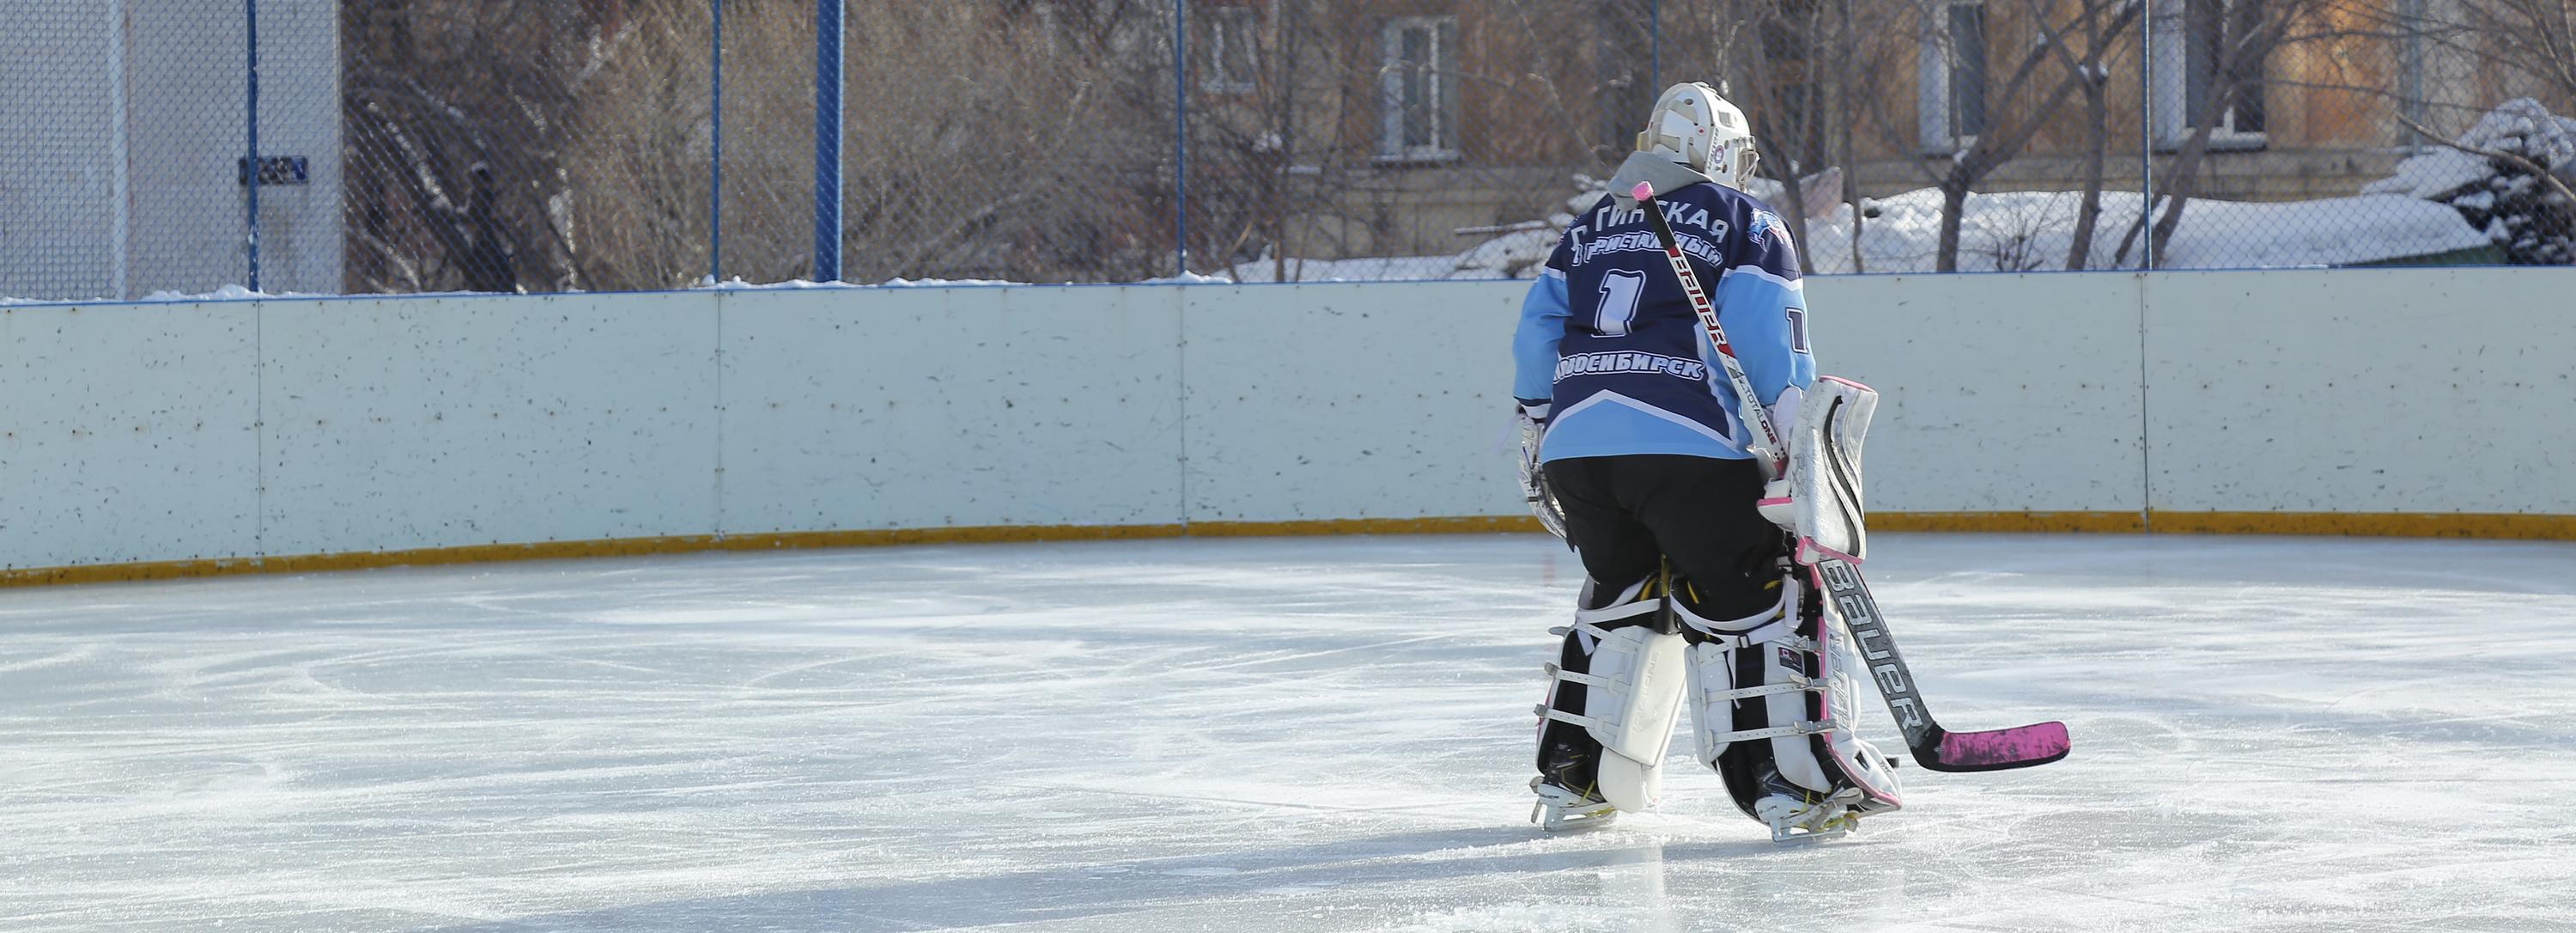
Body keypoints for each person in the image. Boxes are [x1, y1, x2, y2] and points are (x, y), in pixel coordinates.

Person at [1512, 82, 1901, 840]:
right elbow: (1768, 341)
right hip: (1686, 441)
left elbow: (1537, 337)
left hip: (1576, 448)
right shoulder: (1747, 220)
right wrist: (1793, 444)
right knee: (1753, 602)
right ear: (1723, 152)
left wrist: (1536, 419)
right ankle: (1790, 781)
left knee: (1622, 600)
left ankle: (1574, 775)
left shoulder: (1589, 226)